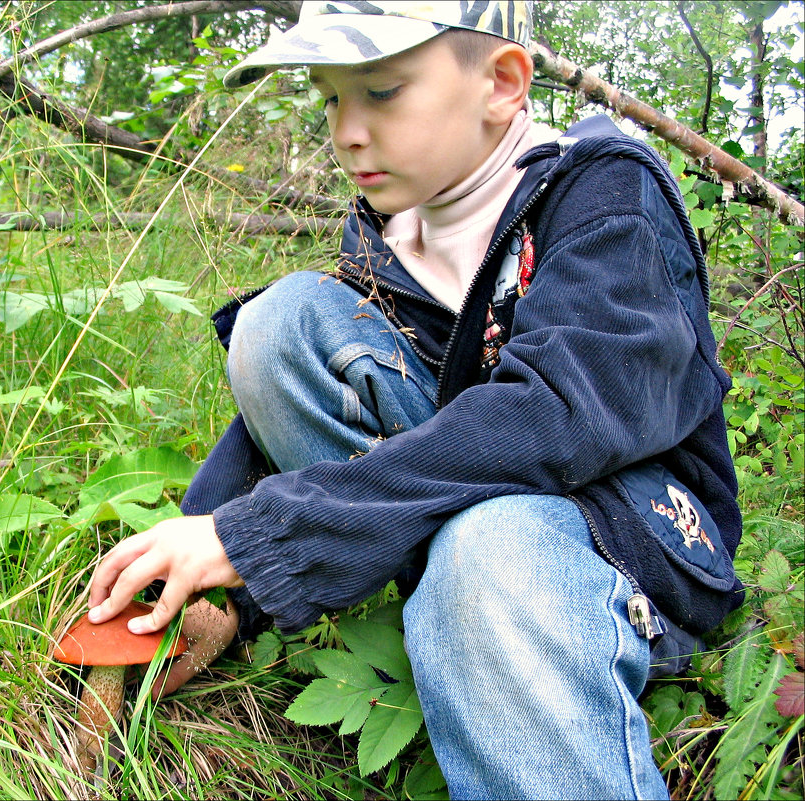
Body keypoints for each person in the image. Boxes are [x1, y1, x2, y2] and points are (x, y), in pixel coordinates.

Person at [87, 2, 744, 798]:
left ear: (501, 83)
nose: (347, 130)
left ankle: (501, 620)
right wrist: (227, 579)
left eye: (383, 91)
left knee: (485, 549)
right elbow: (307, 419)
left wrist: (268, 535)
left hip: (637, 529)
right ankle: (460, 622)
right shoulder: (399, 227)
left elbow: (553, 416)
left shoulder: (604, 195)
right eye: (331, 97)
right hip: (483, 493)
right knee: (280, 323)